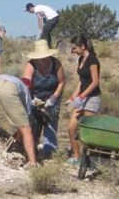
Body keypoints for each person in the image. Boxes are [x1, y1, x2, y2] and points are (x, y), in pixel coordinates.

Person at [21, 39, 65, 157]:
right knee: (34, 121)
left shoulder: (56, 64)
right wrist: (32, 99)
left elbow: (61, 82)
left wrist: (54, 97)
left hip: (53, 94)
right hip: (36, 96)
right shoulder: (31, 64)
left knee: (51, 120)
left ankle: (49, 150)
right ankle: (32, 147)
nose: (43, 59)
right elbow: (26, 83)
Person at [67, 35, 101, 164]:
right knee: (71, 128)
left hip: (92, 98)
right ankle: (76, 156)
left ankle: (90, 160)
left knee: (88, 130)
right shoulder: (81, 59)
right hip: (81, 99)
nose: (73, 51)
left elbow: (95, 82)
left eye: (74, 48)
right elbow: (81, 81)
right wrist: (74, 96)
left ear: (83, 46)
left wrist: (82, 96)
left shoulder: (93, 60)